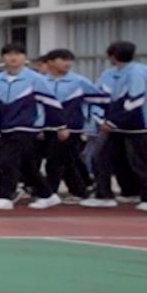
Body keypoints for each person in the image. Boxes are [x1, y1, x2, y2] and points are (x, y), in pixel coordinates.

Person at [95, 40, 147, 213]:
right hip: (118, 126)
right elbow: (101, 96)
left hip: (139, 125)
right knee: (110, 159)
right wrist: (104, 119)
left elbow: (137, 100)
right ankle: (127, 191)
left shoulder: (139, 73)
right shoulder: (111, 73)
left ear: (111, 56)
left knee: (143, 162)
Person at [0, 44, 60, 210]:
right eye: (9, 54)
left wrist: (60, 125)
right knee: (27, 164)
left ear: (24, 57)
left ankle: (6, 195)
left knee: (8, 161)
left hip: (26, 126)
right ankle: (47, 194)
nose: (13, 58)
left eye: (18, 54)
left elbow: (50, 102)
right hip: (5, 126)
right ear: (3, 58)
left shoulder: (35, 78)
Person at [41, 50, 101, 205]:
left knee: (55, 160)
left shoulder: (79, 81)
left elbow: (98, 99)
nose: (67, 63)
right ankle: (80, 190)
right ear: (51, 62)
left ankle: (50, 192)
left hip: (70, 128)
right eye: (63, 59)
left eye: (69, 60)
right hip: (48, 127)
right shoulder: (42, 81)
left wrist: (92, 120)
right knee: (68, 160)